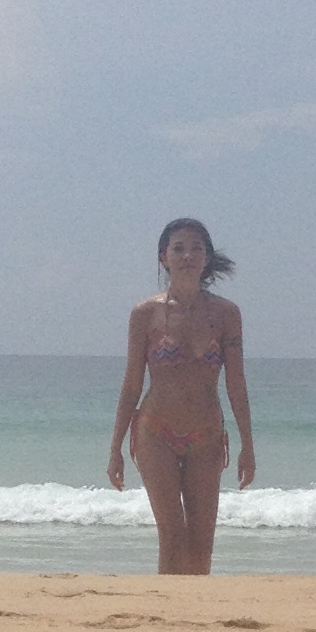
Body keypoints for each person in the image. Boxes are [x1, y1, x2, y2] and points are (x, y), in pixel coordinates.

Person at [106, 217, 255, 575]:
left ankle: (195, 607)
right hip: (156, 432)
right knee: (172, 536)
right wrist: (115, 449)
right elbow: (131, 384)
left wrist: (248, 446)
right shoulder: (145, 314)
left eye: (196, 249)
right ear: (164, 258)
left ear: (206, 258)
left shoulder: (226, 315)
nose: (188, 255)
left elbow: (236, 384)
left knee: (201, 541)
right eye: (179, 248)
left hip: (206, 435)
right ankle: (166, 605)